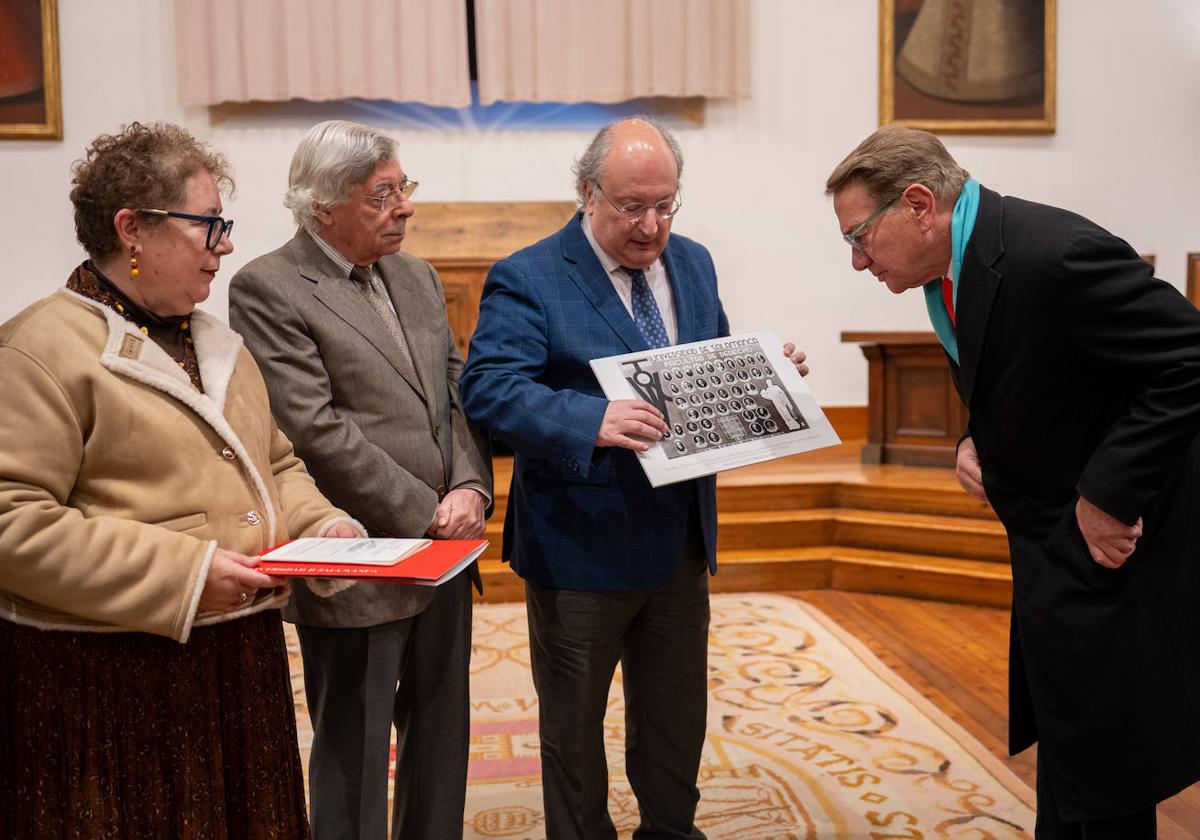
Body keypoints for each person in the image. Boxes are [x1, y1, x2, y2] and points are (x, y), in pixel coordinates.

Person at [825, 123, 1200, 838]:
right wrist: (976, 437)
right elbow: (1043, 379)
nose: (857, 260)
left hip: (1113, 549)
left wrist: (1109, 494)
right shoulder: (963, 265)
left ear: (918, 204)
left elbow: (1188, 360)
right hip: (1054, 548)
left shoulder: (1053, 254)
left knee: (1111, 767)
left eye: (859, 237)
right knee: (1077, 757)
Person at [0, 121, 362, 839]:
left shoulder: (217, 341)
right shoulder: (39, 348)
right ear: (131, 229)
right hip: (109, 677)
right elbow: (12, 522)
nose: (225, 245)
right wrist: (186, 573)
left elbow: (277, 463)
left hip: (235, 658)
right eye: (208, 225)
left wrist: (325, 527)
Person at [459, 116, 808, 838]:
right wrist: (591, 419)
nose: (651, 226)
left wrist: (765, 379)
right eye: (631, 207)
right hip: (580, 546)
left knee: (676, 720)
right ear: (588, 193)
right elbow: (490, 388)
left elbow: (701, 371)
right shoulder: (529, 276)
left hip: (678, 538)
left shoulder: (695, 263)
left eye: (665, 204)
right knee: (574, 731)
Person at [228, 119, 492, 840]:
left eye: (404, 187)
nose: (405, 206)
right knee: (355, 747)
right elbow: (313, 429)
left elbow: (453, 392)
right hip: (358, 554)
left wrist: (471, 489)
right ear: (323, 205)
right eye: (383, 194)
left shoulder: (417, 275)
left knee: (442, 738)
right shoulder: (269, 287)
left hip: (447, 549)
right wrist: (425, 512)